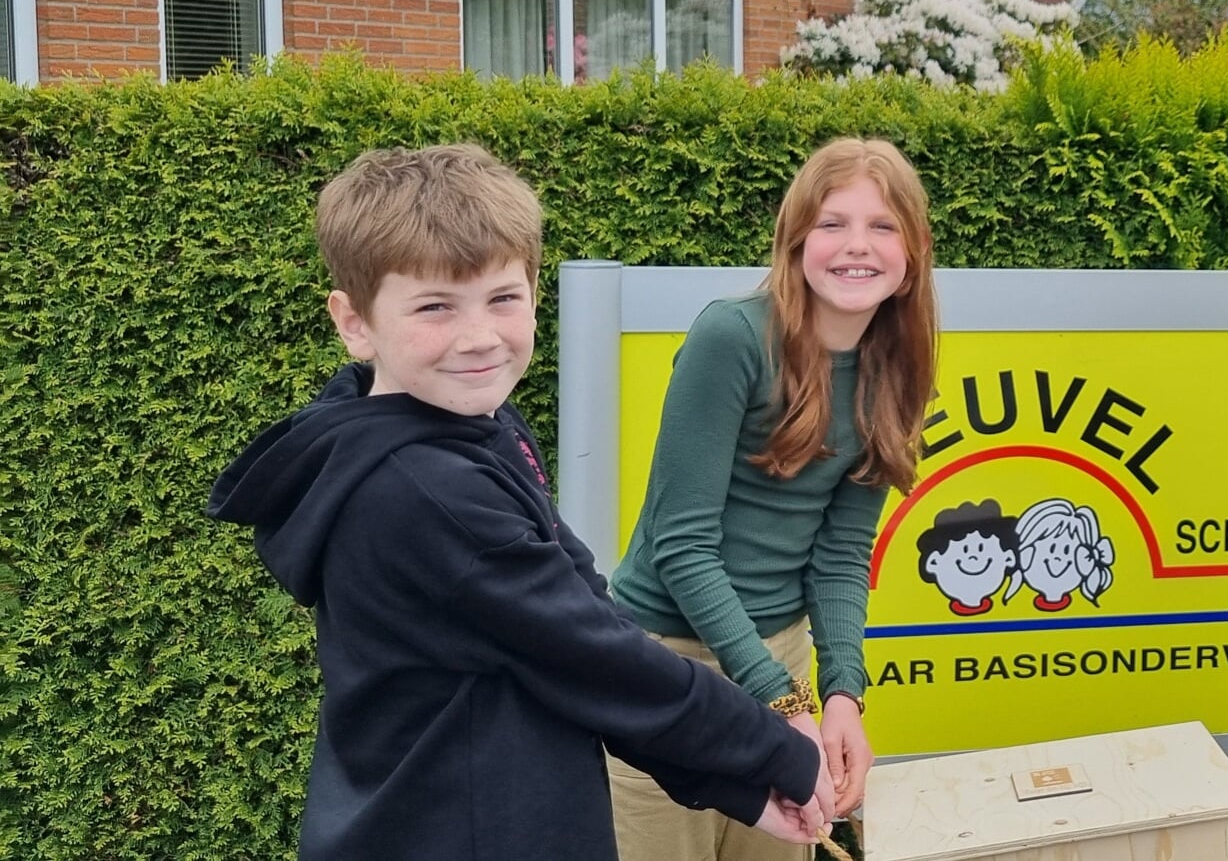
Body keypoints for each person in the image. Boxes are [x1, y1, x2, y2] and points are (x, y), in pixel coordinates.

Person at [206, 144, 824, 861]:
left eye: (503, 298)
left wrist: (741, 788)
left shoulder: (474, 427)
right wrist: (781, 754)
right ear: (355, 322)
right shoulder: (427, 494)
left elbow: (576, 628)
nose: (480, 338)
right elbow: (599, 658)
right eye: (435, 306)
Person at [606, 137, 938, 861]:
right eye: (832, 224)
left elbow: (843, 552)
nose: (858, 246)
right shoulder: (731, 338)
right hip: (668, 664)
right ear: (795, 242)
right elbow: (682, 544)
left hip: (778, 654)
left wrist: (843, 694)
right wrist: (785, 704)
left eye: (882, 226)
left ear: (913, 250)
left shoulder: (901, 366)